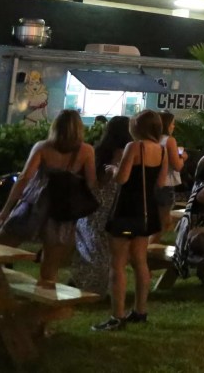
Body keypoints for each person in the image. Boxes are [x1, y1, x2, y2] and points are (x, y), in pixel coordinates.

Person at [0, 109, 97, 289]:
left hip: (34, 205)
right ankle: (43, 309)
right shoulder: (86, 150)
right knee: (50, 266)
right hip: (62, 211)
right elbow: (91, 183)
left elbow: (25, 178)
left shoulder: (42, 147)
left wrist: (6, 210)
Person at [95, 110, 166, 331]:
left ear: (138, 127)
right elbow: (161, 182)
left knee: (117, 263)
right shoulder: (161, 150)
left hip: (126, 209)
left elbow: (122, 178)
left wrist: (114, 168)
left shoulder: (134, 147)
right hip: (147, 211)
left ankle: (117, 315)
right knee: (140, 261)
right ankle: (140, 310)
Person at [72, 116, 130, 295]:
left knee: (89, 245)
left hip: (92, 205)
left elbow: (90, 180)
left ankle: (85, 280)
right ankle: (97, 285)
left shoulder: (98, 151)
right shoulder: (127, 154)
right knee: (106, 249)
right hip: (113, 206)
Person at [158, 111, 186, 235]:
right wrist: (183, 157)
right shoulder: (169, 141)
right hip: (166, 183)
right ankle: (153, 249)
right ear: (167, 125)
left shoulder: (152, 140)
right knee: (164, 222)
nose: (173, 127)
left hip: (152, 183)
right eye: (173, 124)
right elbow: (177, 166)